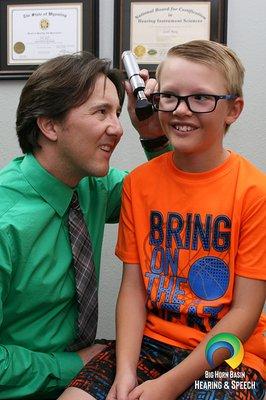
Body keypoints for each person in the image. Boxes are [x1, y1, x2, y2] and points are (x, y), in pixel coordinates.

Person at [59, 40, 266, 400]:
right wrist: (125, 373)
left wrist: (169, 385)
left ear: (233, 110)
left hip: (232, 356)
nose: (181, 110)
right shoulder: (139, 184)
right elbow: (133, 289)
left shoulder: (254, 192)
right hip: (149, 345)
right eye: (169, 96)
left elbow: (246, 312)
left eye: (201, 98)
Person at [0, 52, 170, 399]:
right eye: (101, 112)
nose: (119, 128)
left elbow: (169, 199)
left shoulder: (93, 187)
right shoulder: (7, 223)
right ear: (49, 126)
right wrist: (71, 365)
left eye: (118, 113)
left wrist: (153, 136)